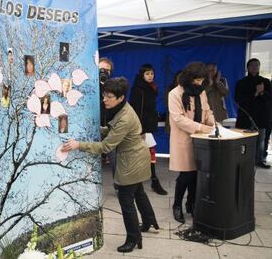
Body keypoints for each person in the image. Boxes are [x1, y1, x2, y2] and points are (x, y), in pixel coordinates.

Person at [62, 77, 159, 253]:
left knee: (126, 200)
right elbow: (117, 132)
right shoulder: (124, 109)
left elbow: (106, 146)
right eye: (104, 95)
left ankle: (133, 238)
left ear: (120, 98)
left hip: (131, 162)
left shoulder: (124, 117)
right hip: (137, 157)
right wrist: (100, 129)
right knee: (138, 192)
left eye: (109, 97)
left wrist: (78, 145)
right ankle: (149, 220)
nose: (104, 99)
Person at [168, 62, 215, 223]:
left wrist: (213, 125)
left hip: (201, 140)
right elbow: (178, 119)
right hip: (183, 139)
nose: (199, 83)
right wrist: (203, 128)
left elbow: (207, 111)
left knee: (196, 174)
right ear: (189, 78)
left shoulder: (201, 92)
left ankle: (192, 203)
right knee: (185, 175)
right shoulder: (175, 93)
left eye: (202, 80)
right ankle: (176, 205)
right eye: (196, 80)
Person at [129, 64, 167, 195]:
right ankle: (145, 182)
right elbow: (135, 110)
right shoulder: (138, 89)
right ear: (142, 75)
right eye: (147, 74)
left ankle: (152, 180)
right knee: (140, 154)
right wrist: (140, 130)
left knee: (149, 152)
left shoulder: (151, 87)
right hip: (140, 127)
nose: (150, 76)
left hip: (147, 126)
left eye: (152, 73)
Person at [235, 58, 272, 169]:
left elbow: (270, 98)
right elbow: (238, 99)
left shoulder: (265, 81)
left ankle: (259, 160)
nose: (254, 67)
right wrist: (255, 93)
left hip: (261, 115)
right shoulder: (241, 82)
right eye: (252, 65)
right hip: (246, 115)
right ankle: (242, 160)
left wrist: (261, 93)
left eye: (257, 65)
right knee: (243, 139)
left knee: (261, 140)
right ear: (248, 68)